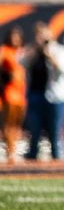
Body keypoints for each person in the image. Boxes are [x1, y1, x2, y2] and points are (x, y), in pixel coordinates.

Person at [23, 23, 64, 161]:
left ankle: (58, 163)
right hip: (36, 95)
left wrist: (49, 55)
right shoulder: (33, 50)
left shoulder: (60, 50)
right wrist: (36, 49)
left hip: (56, 97)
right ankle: (31, 165)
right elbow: (21, 61)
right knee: (34, 132)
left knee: (55, 132)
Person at [0, 27, 26, 163]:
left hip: (21, 91)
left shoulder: (23, 52)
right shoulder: (5, 50)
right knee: (8, 123)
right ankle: (10, 151)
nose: (15, 40)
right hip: (10, 91)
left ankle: (14, 149)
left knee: (17, 124)